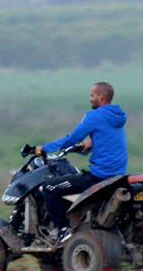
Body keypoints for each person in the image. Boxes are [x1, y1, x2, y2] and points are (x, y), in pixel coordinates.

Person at [35, 82, 127, 239]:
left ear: (102, 97)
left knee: (49, 188)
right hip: (117, 176)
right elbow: (109, 138)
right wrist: (91, 143)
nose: (90, 99)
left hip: (99, 177)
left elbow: (71, 139)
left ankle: (63, 230)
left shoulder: (95, 116)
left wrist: (43, 148)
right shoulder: (116, 117)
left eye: (92, 95)